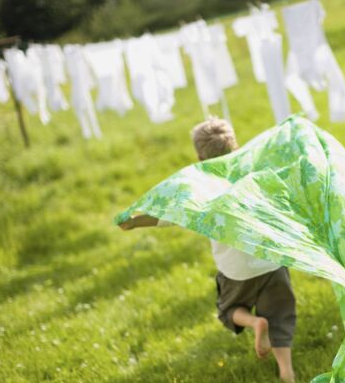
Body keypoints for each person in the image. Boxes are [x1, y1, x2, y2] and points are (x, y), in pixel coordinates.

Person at [118, 118, 297, 383]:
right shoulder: (254, 172)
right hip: (272, 262)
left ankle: (254, 323)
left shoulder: (201, 189)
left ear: (200, 157)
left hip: (236, 271)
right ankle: (287, 371)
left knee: (229, 309)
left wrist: (134, 222)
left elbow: (169, 216)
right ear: (235, 147)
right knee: (280, 314)